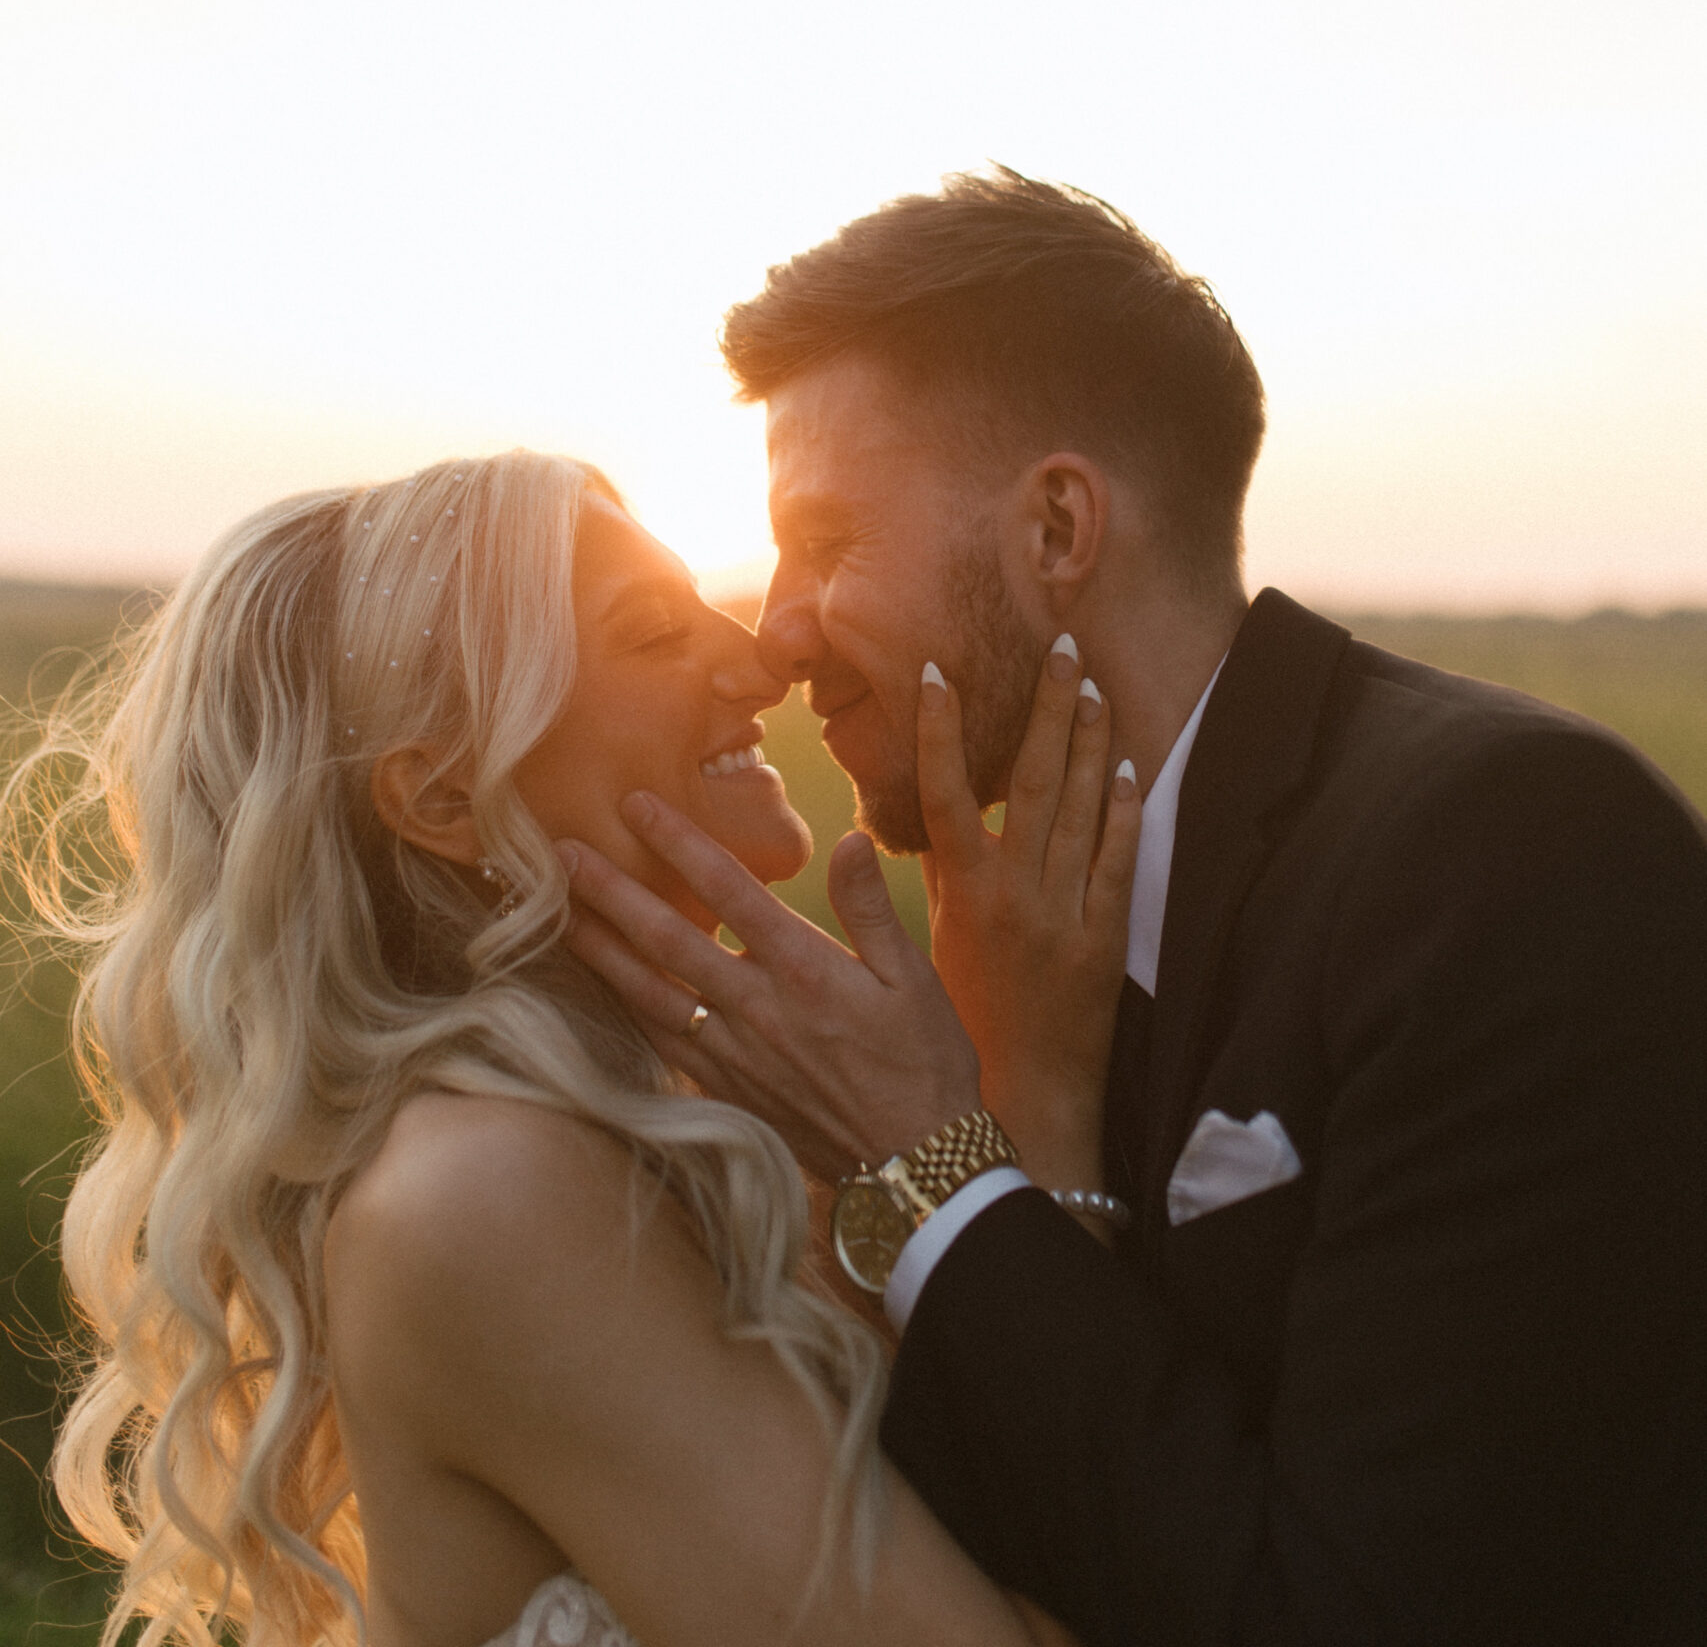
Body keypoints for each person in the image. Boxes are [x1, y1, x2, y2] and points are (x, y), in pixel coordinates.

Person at [567, 168, 1707, 1647]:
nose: (776, 634)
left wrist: (943, 1172)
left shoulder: (1508, 852)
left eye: (826, 542)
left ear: (1055, 529)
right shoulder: (1012, 947)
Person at [7, 447, 1134, 1647]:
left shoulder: (704, 1125)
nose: (759, 660)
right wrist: (1036, 1097)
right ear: (442, 797)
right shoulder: (483, 1192)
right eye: (652, 632)